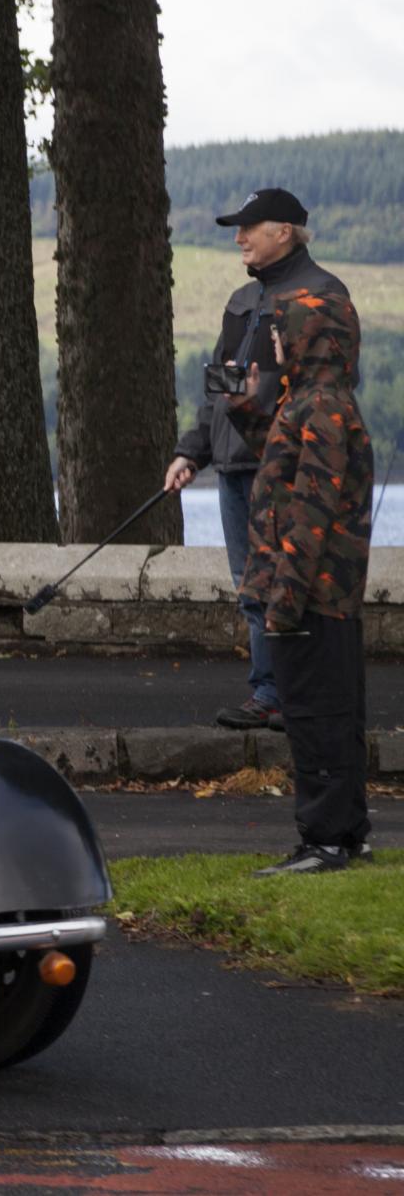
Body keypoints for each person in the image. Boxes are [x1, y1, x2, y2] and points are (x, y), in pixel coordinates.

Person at [162, 187, 351, 730]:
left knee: (294, 585)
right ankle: (268, 693)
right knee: (252, 587)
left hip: (289, 472)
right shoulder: (243, 303)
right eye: (237, 229)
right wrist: (190, 452)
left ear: (284, 232)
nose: (240, 238)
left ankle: (297, 696)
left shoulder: (322, 296)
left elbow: (328, 395)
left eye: (251, 227)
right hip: (233, 468)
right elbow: (221, 387)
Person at [242, 284, 375, 875]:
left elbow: (312, 508)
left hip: (311, 594)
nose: (275, 340)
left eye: (281, 330)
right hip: (324, 593)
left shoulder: (320, 404)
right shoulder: (316, 400)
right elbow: (282, 469)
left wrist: (284, 599)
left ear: (308, 336)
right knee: (336, 712)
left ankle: (322, 841)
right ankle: (347, 834)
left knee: (315, 714)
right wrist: (248, 408)